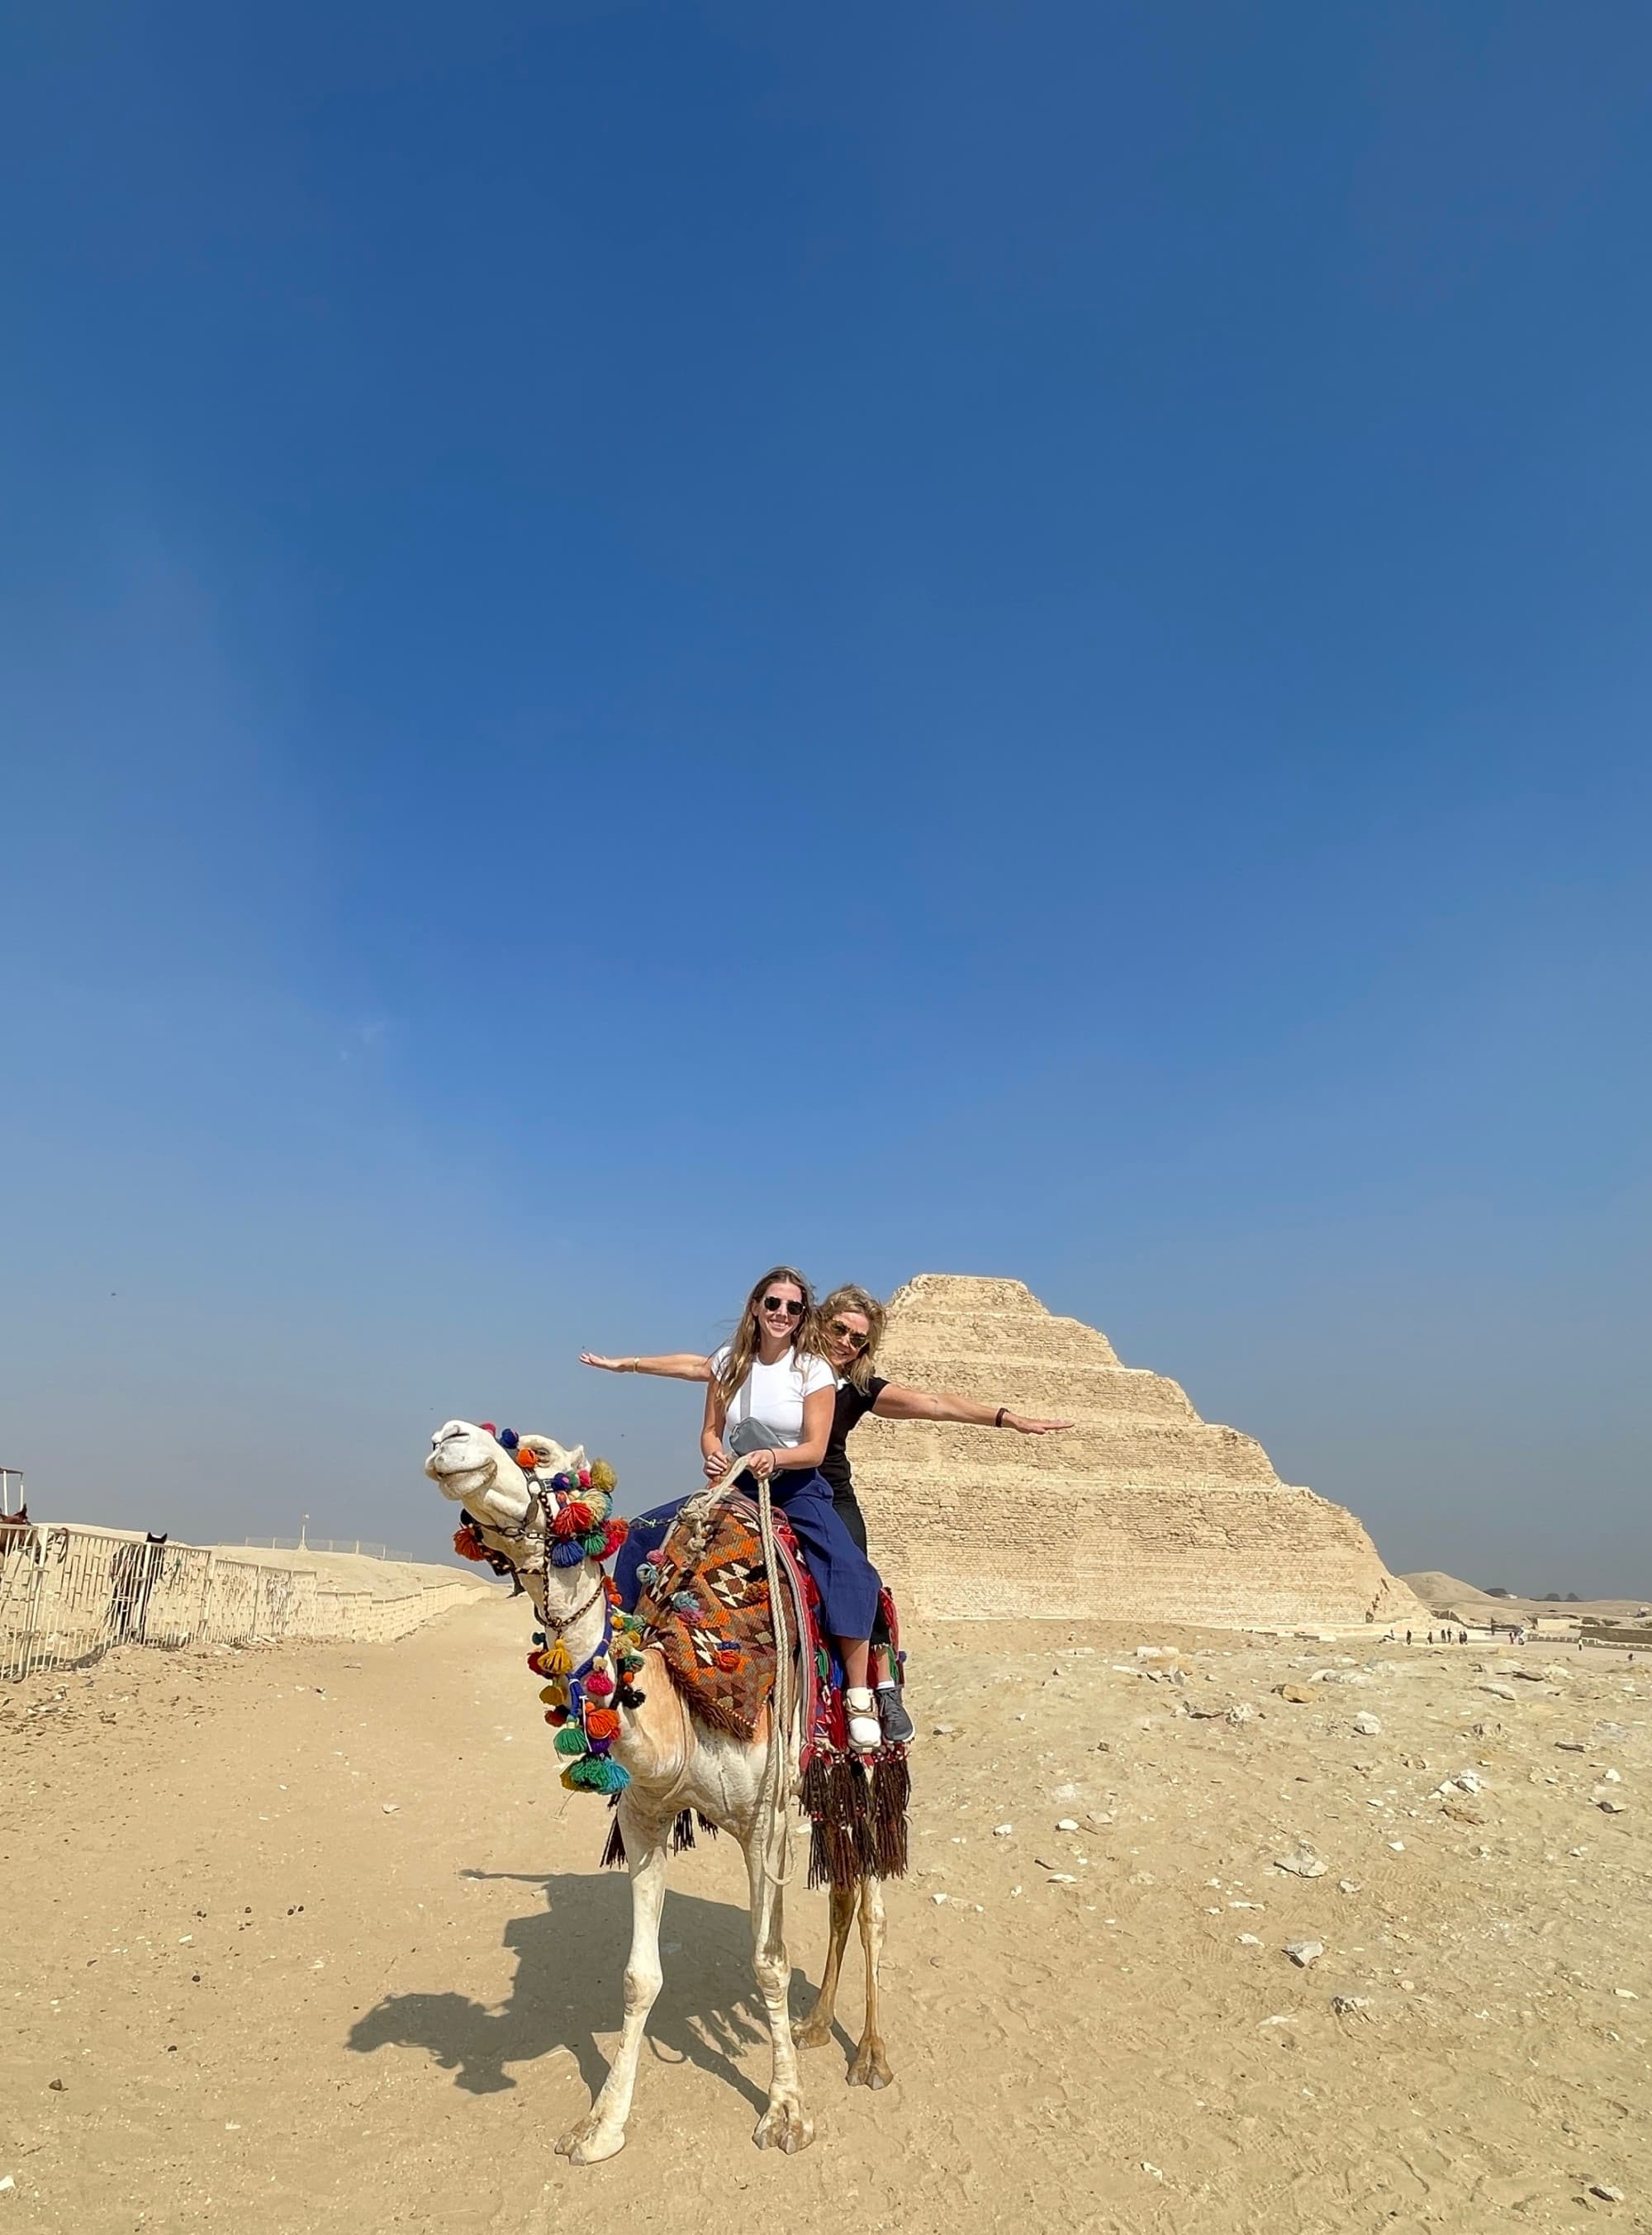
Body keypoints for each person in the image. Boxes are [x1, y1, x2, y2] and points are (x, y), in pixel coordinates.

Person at [582, 1280, 1072, 1744]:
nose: (846, 1342)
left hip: (823, 1490)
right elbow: (698, 1368)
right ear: (819, 1323)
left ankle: (876, 1689)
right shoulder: (776, 1362)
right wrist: (627, 1365)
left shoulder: (853, 1385)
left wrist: (1007, 1419)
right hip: (751, 1483)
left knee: (855, 1573)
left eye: (859, 1338)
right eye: (839, 1329)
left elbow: (934, 1403)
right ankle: (625, 1653)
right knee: (652, 1535)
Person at [622, 1265, 886, 1752]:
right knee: (643, 1531)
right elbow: (709, 1430)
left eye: (793, 1306)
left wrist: (773, 1456)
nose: (782, 1313)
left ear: (804, 1314)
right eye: (773, 1303)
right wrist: (713, 1454)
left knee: (850, 1568)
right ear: (756, 1306)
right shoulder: (731, 1362)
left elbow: (813, 1448)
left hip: (798, 1487)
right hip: (739, 1484)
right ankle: (622, 1648)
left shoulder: (815, 1369)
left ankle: (860, 1693)